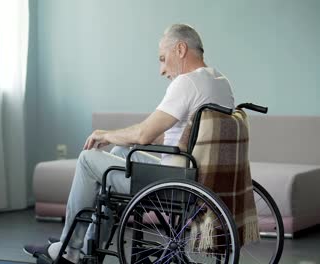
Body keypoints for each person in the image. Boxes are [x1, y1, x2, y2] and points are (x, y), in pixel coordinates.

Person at [24, 23, 235, 264]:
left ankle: (70, 250)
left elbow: (144, 134)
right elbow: (174, 136)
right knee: (122, 151)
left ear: (180, 49)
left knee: (87, 160)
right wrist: (123, 139)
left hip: (175, 182)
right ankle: (88, 246)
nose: (162, 70)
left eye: (163, 59)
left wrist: (104, 134)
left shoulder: (187, 83)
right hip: (198, 175)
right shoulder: (219, 82)